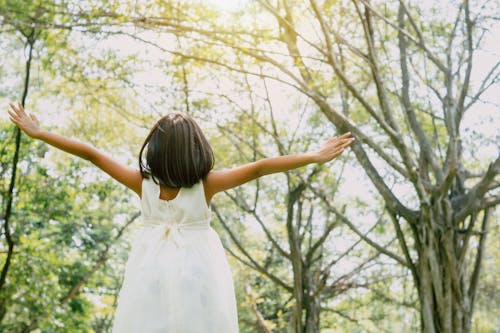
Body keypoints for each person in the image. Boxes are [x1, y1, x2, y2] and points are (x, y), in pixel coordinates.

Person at [7, 101, 355, 332]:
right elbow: (261, 168)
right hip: (186, 274)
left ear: (154, 151)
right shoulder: (204, 185)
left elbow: (93, 155)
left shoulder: (146, 183)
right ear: (196, 150)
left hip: (161, 274)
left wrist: (41, 133)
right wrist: (311, 156)